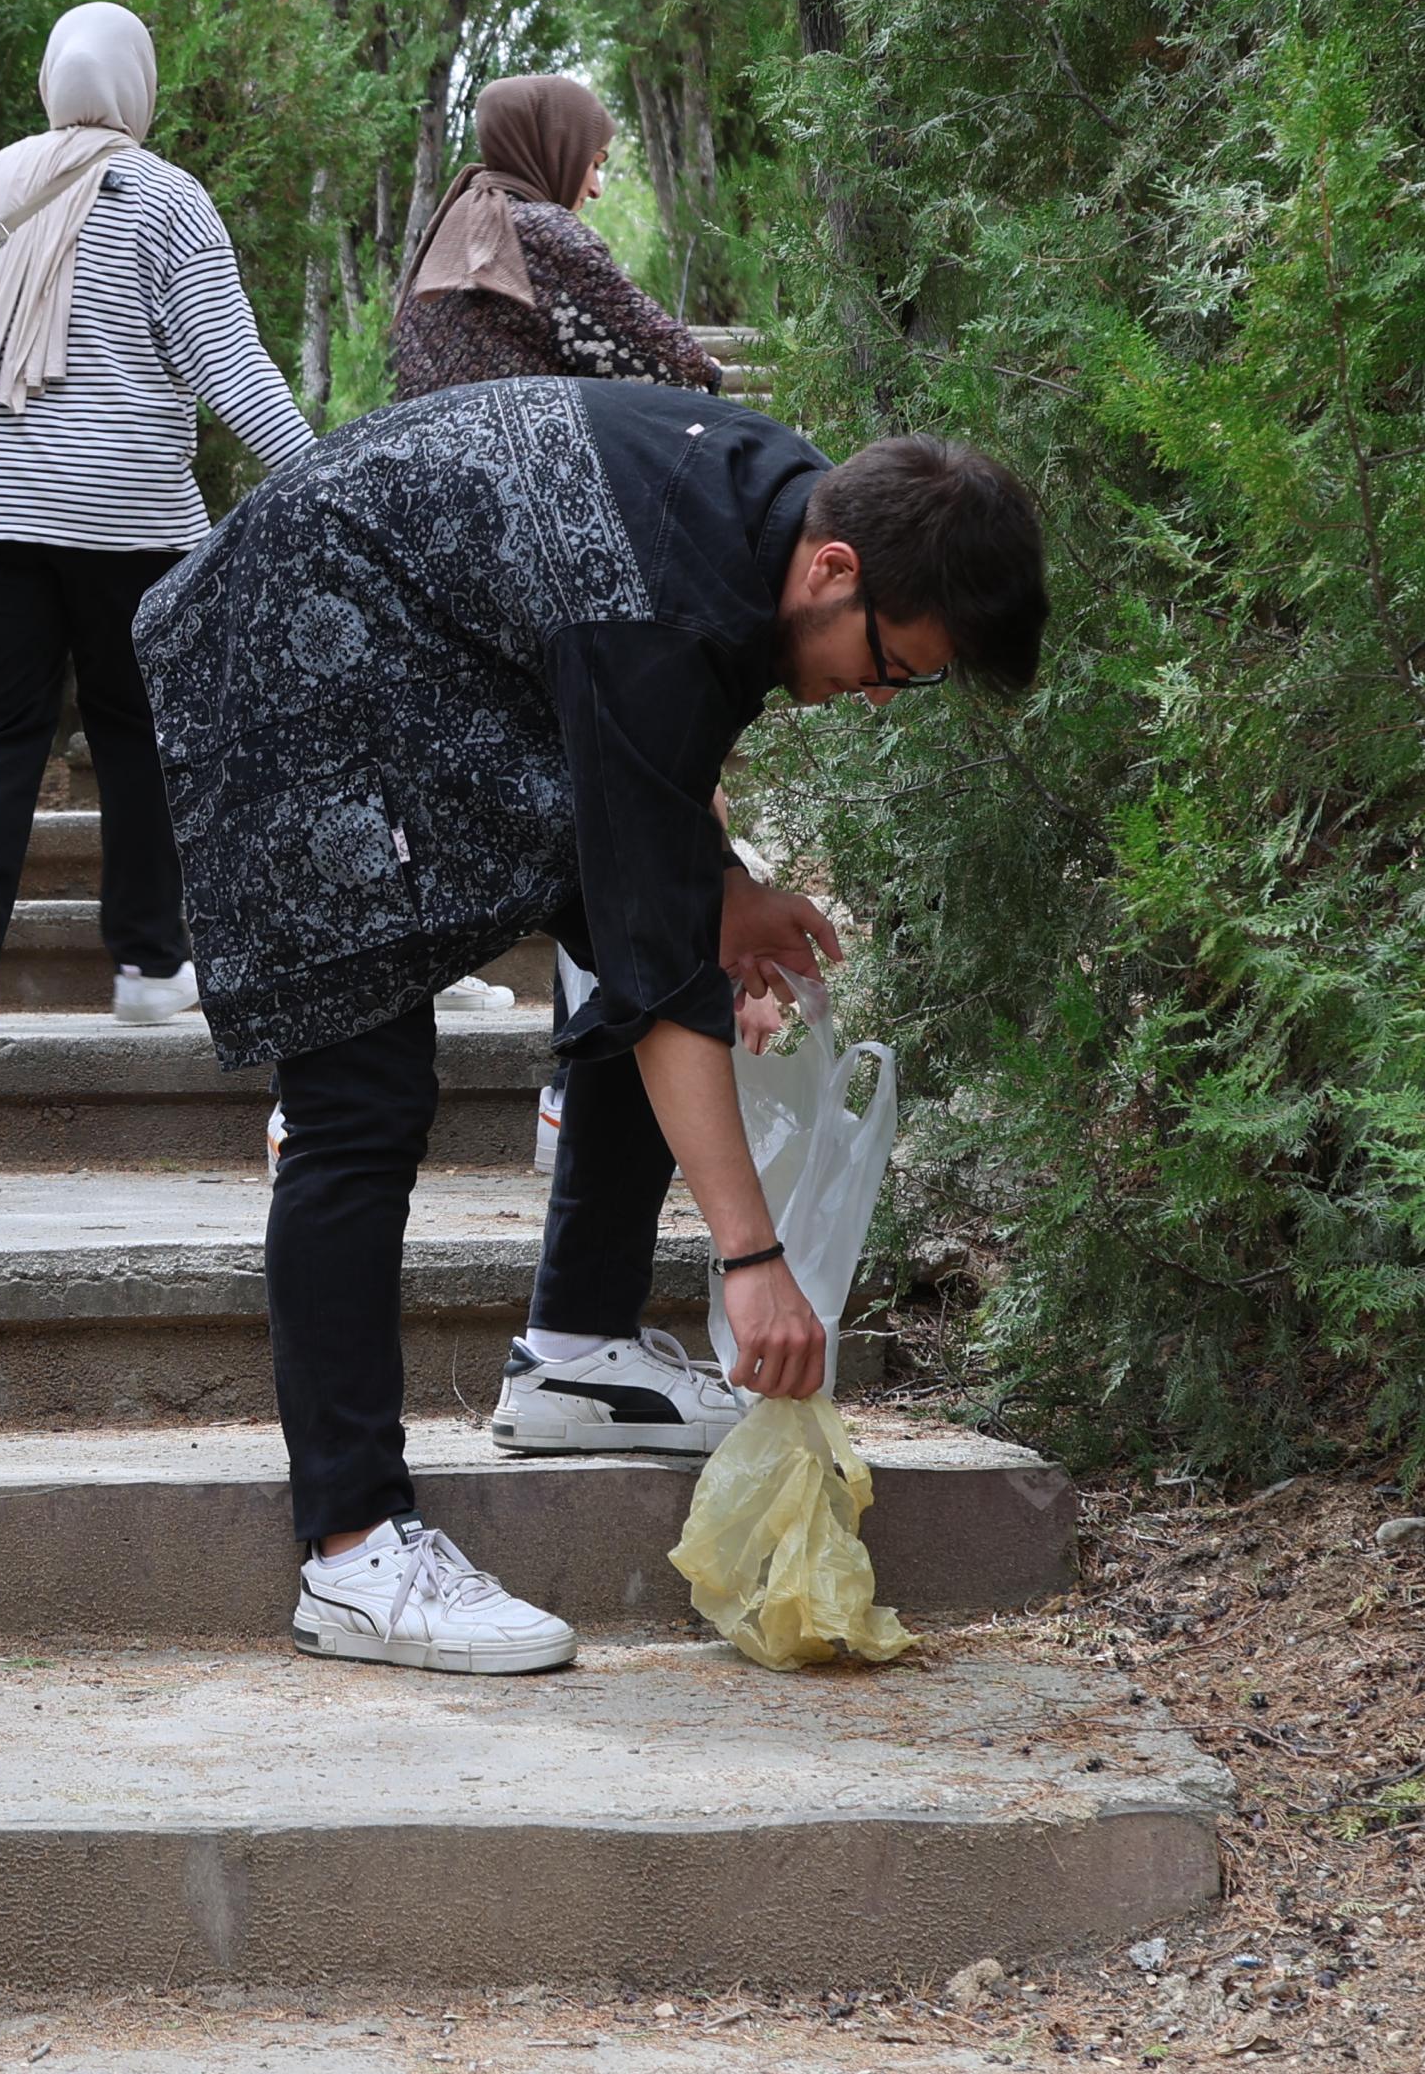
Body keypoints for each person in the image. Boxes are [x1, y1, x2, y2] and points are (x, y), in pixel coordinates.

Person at [137, 379, 1048, 1674]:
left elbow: (653, 824)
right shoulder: (675, 602)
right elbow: (651, 891)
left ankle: (575, 1351)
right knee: (363, 1096)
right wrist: (751, 1259)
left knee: (670, 919)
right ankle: (351, 1551)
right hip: (297, 653)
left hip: (414, 651)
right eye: (894, 663)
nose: (884, 697)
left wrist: (719, 894)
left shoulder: (775, 516)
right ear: (837, 569)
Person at [0, 0, 311, 1032]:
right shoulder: (165, 197)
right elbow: (226, 363)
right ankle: (148, 963)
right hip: (126, 514)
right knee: (134, 730)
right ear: (136, 83)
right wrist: (320, 470)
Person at [387, 74, 731, 402]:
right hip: (525, 456)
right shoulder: (540, 229)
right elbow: (648, 343)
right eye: (594, 164)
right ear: (554, 148)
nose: (596, 189)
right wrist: (705, 370)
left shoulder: (456, 227)